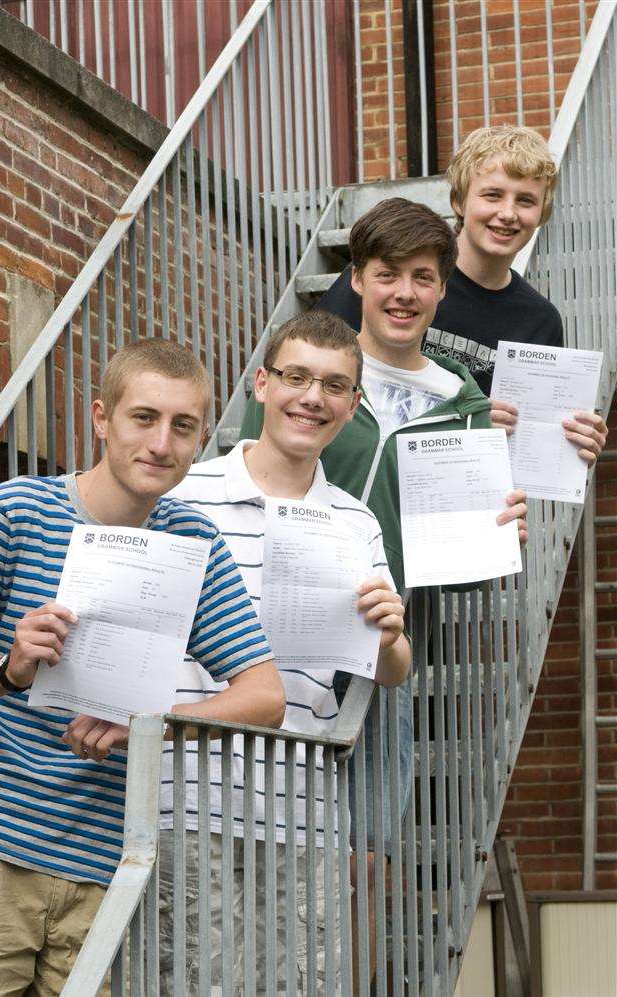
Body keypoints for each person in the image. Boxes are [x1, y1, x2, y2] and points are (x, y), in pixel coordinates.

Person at [241, 196, 529, 984]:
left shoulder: (462, 400)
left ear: (442, 291)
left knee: (365, 855)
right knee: (246, 835)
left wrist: (501, 529)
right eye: (387, 275)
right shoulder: (316, 384)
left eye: (423, 278)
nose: (404, 292)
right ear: (358, 281)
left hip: (375, 645)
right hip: (264, 634)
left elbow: (458, 547)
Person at [0, 339, 285, 996]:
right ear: (101, 417)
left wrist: (153, 721)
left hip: (103, 862)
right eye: (144, 417)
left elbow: (264, 696)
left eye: (183, 425)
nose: (161, 443)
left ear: (198, 439)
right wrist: (9, 670)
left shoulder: (195, 542)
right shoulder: (15, 510)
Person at [158, 311, 412, 994]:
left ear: (353, 406)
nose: (312, 397)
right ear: (262, 384)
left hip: (304, 794)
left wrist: (390, 633)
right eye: (297, 377)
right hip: (189, 788)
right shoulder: (185, 495)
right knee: (194, 980)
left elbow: (393, 669)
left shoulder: (354, 521)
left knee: (305, 981)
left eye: (334, 385)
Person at [315, 125, 608, 462]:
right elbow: (314, 371)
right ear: (458, 200)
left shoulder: (540, 322)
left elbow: (525, 450)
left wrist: (572, 442)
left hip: (455, 501)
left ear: (542, 213)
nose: (508, 214)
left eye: (525, 200)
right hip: (354, 467)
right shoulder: (391, 282)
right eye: (493, 195)